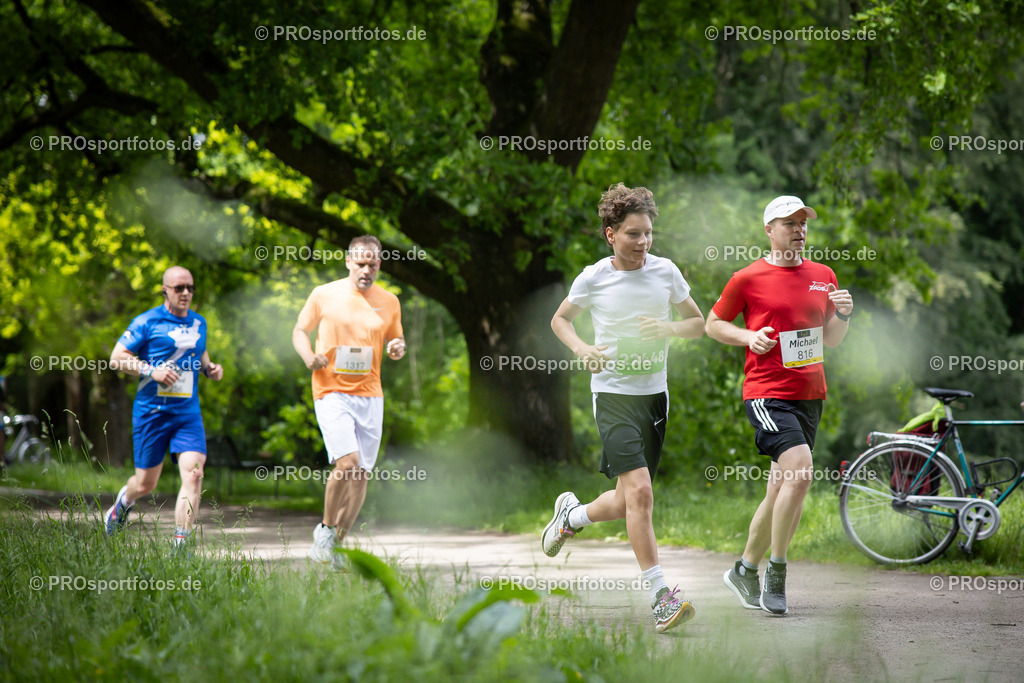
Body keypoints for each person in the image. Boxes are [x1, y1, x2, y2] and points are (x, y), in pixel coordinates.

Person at [544, 183, 705, 633]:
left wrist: (667, 329)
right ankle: (659, 596)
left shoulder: (666, 271)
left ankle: (571, 516)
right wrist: (582, 348)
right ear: (611, 234)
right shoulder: (593, 277)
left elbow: (699, 324)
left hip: (654, 399)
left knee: (625, 499)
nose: (644, 242)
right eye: (634, 234)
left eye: (649, 233)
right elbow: (560, 320)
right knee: (641, 494)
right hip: (612, 396)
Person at [707, 196, 853, 615]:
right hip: (767, 393)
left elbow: (832, 339)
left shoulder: (823, 276)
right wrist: (747, 338)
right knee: (802, 473)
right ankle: (777, 570)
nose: (799, 230)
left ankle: (743, 568)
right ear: (769, 230)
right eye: (789, 223)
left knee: (779, 492)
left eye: (803, 222)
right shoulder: (747, 277)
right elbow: (713, 323)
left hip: (810, 396)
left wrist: (844, 314)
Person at [293, 235, 405, 569]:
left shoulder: (389, 301)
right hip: (331, 390)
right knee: (348, 463)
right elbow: (300, 330)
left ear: (379, 264)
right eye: (360, 263)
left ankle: (339, 545)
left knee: (361, 476)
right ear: (348, 262)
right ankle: (325, 530)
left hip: (370, 395)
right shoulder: (323, 294)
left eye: (372, 264)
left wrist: (398, 347)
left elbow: (396, 338)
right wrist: (309, 355)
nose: (366, 270)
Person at [105, 266, 224, 550]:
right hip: (152, 413)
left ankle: (180, 546)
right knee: (146, 484)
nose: (186, 293)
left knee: (194, 474)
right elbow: (116, 358)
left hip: (187, 413)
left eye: (190, 288)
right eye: (179, 288)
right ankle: (121, 505)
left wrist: (210, 368)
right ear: (165, 290)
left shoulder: (199, 322)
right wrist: (151, 370)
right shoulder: (147, 321)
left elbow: (200, 350)